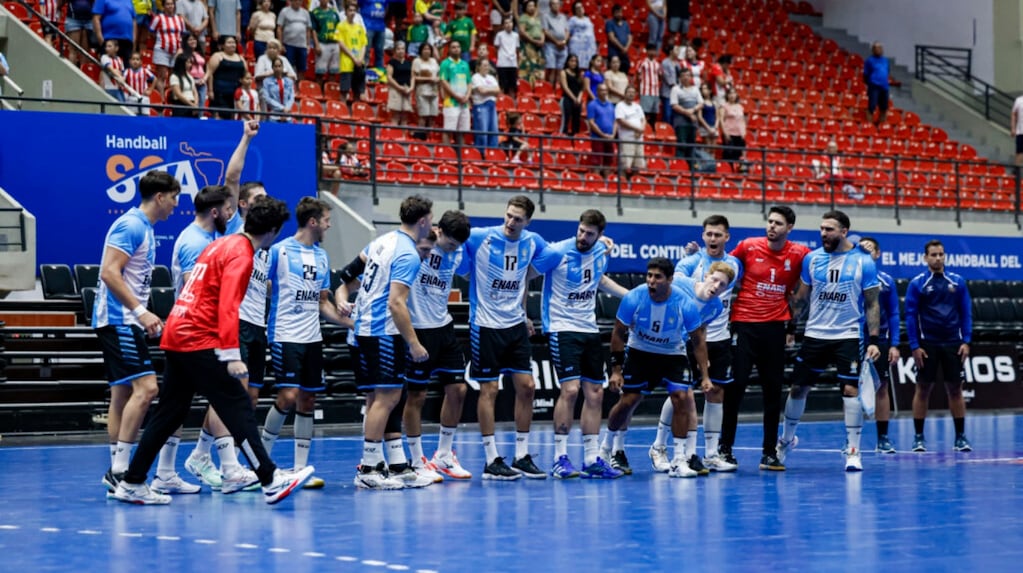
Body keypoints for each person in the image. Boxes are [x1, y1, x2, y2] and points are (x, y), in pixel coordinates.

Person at [111, 196, 317, 505]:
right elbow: (228, 304)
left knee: (169, 413)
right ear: (273, 230)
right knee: (236, 406)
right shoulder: (242, 254)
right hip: (198, 338)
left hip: (178, 333)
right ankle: (270, 479)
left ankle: (132, 481)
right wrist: (232, 355)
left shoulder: (220, 243)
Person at [463, 195, 567, 480]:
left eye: (517, 219)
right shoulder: (480, 238)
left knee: (528, 387)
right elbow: (453, 238)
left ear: (528, 222)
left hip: (515, 326)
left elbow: (557, 255)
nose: (510, 222)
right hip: (485, 325)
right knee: (490, 391)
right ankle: (490, 459)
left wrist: (525, 300)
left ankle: (521, 455)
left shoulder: (533, 242)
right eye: (508, 215)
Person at [95, 170, 182, 494]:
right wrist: (139, 311)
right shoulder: (131, 225)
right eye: (173, 198)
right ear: (160, 197)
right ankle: (121, 471)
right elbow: (108, 272)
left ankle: (116, 468)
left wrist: (143, 311)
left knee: (122, 393)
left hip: (123, 319)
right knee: (146, 389)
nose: (175, 204)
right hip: (119, 320)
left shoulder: (143, 227)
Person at [777, 211, 881, 472]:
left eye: (830, 229)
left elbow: (872, 304)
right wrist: (791, 327)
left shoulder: (863, 261)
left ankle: (854, 451)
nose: (824, 233)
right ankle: (786, 441)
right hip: (815, 335)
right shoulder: (812, 259)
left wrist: (875, 340)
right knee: (798, 388)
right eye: (822, 229)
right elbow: (801, 298)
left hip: (847, 335)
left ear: (844, 232)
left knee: (850, 391)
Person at [259, 197, 350, 490]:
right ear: (313, 222)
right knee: (287, 396)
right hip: (285, 334)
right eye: (326, 219)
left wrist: (348, 323)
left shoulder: (322, 257)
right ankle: (262, 465)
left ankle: (300, 468)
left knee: (308, 399)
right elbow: (259, 286)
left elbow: (323, 303)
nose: (329, 224)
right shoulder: (278, 251)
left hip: (313, 338)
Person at [349, 195, 436, 489]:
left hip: (365, 328)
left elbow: (355, 273)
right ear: (423, 221)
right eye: (431, 219)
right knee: (386, 399)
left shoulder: (382, 240)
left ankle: (385, 466)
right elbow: (397, 303)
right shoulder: (408, 253)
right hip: (381, 330)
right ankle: (369, 468)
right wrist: (414, 344)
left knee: (380, 399)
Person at [600, 257, 714, 477]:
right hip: (640, 353)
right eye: (649, 276)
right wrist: (615, 370)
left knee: (681, 398)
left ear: (670, 280)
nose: (652, 281)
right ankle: (606, 448)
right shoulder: (634, 297)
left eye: (658, 277)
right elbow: (618, 333)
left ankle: (679, 460)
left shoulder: (684, 303)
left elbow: (698, 340)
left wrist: (705, 376)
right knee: (628, 402)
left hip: (672, 354)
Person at [649, 215, 742, 474]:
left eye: (718, 234)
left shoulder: (734, 265)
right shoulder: (689, 263)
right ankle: (658, 446)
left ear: (727, 237)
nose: (713, 239)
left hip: (719, 336)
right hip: (690, 338)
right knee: (681, 395)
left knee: (716, 393)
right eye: (709, 234)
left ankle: (711, 453)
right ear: (703, 236)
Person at [721, 206, 810, 471]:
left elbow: (826, 262)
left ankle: (769, 453)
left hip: (774, 329)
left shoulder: (800, 253)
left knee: (772, 392)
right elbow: (726, 269)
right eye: (769, 222)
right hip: (744, 326)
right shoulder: (747, 246)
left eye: (778, 223)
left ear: (789, 228)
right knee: (735, 389)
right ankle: (725, 449)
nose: (771, 226)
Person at [543, 210, 629, 479]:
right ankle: (559, 457)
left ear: (599, 235)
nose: (583, 237)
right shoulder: (557, 251)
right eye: (581, 231)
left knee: (596, 394)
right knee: (570, 391)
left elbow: (599, 280)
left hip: (589, 329)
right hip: (562, 327)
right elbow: (529, 274)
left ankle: (591, 458)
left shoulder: (601, 251)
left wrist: (629, 296)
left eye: (589, 233)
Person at [401, 211, 474, 479]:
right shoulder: (417, 244)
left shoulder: (458, 249)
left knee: (458, 390)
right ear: (438, 230)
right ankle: (416, 459)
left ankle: (443, 455)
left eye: (458, 246)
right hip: (417, 329)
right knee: (416, 396)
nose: (454, 249)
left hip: (443, 327)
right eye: (451, 243)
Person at [905, 240, 973, 453]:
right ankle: (918, 437)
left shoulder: (957, 282)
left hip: (953, 342)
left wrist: (966, 340)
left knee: (955, 389)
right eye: (933, 255)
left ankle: (960, 437)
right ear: (925, 258)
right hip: (928, 344)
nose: (938, 258)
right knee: (923, 389)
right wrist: (915, 345)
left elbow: (966, 312)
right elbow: (910, 316)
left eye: (941, 254)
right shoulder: (917, 283)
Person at [858, 237, 901, 454]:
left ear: (877, 254)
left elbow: (894, 314)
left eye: (870, 249)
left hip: (879, 341)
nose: (865, 253)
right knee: (850, 389)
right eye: (861, 249)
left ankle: (883, 438)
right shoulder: (850, 278)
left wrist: (894, 344)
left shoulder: (887, 282)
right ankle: (851, 440)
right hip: (853, 338)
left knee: (881, 387)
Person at [439, 41, 472, 145]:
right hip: (451, 102)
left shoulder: (465, 64)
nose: (456, 49)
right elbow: (444, 81)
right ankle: (446, 157)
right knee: (448, 130)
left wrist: (467, 96)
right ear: (449, 50)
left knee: (462, 132)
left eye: (458, 47)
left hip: (464, 103)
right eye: (453, 47)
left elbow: (469, 82)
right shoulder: (445, 63)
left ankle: (460, 156)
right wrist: (456, 96)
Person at [148, 0, 184, 94]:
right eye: (167, 4)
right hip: (162, 50)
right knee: (162, 76)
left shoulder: (179, 19)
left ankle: (172, 98)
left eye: (171, 4)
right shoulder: (159, 18)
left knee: (173, 77)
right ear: (163, 6)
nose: (170, 6)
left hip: (176, 51)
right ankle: (162, 100)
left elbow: (183, 34)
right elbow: (151, 32)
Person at [208, 36, 247, 119]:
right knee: (220, 116)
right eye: (229, 42)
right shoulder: (217, 56)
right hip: (220, 91)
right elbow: (210, 73)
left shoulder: (240, 58)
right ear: (222, 45)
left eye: (233, 43)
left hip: (235, 92)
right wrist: (210, 90)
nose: (232, 45)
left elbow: (246, 74)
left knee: (233, 116)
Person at [338, 3, 368, 103]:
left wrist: (360, 59)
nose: (352, 13)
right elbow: (341, 44)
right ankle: (342, 112)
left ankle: (356, 114)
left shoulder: (359, 28)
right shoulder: (341, 26)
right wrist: (353, 58)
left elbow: (364, 44)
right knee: (344, 91)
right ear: (345, 12)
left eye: (354, 10)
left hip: (359, 63)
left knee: (357, 91)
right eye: (350, 10)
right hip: (346, 64)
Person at [615, 85, 647, 178]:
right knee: (625, 163)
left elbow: (643, 119)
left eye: (633, 92)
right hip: (626, 138)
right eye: (629, 92)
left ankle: (635, 183)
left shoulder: (637, 106)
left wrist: (641, 129)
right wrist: (636, 129)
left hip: (638, 138)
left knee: (638, 163)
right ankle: (622, 183)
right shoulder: (620, 106)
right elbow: (621, 121)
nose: (631, 94)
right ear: (625, 94)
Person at [670, 68, 701, 162]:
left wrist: (693, 110)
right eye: (683, 76)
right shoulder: (675, 89)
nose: (685, 78)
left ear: (691, 77)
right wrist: (687, 113)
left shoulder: (695, 89)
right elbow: (674, 105)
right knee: (681, 146)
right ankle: (680, 167)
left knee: (691, 147)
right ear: (679, 78)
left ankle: (691, 170)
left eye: (687, 75)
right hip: (681, 122)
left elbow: (701, 103)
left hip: (693, 122)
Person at [277, 0, 315, 76]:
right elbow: (279, 28)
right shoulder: (284, 11)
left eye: (300, 1)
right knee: (288, 67)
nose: (298, 2)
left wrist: (307, 44)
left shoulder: (305, 13)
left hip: (302, 46)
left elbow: (308, 29)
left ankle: (300, 86)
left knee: (302, 69)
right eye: (296, 1)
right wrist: (280, 44)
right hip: (289, 45)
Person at [92, 0, 136, 66]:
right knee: (109, 68)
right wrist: (101, 40)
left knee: (127, 69)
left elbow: (134, 21)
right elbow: (96, 18)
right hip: (109, 39)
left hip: (127, 41)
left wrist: (133, 40)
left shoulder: (129, 1)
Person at [470, 59, 501, 152]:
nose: (486, 67)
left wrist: (487, 90)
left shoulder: (491, 78)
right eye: (484, 65)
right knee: (482, 131)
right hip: (481, 105)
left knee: (494, 130)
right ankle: (481, 153)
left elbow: (498, 91)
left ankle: (493, 152)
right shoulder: (475, 77)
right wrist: (492, 90)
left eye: (487, 65)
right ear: (479, 67)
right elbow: (481, 91)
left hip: (492, 105)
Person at [586, 83, 616, 177]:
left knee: (608, 161)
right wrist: (602, 135)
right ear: (597, 92)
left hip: (609, 137)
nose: (604, 92)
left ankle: (607, 184)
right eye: (602, 90)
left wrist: (613, 135)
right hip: (597, 137)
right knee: (597, 161)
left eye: (605, 90)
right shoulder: (592, 105)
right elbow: (591, 122)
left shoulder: (611, 105)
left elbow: (615, 121)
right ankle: (596, 181)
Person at [311, 0, 343, 84]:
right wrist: (316, 44)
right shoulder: (315, 13)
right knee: (320, 72)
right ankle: (319, 91)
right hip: (322, 44)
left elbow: (339, 28)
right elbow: (313, 30)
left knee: (333, 71)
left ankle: (330, 92)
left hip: (335, 43)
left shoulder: (334, 12)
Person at [412, 42, 440, 134]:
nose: (427, 51)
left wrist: (437, 79)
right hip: (422, 91)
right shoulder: (417, 61)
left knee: (432, 116)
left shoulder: (434, 61)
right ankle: (421, 137)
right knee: (423, 115)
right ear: (421, 51)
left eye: (428, 49)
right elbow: (414, 77)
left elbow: (439, 75)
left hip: (434, 91)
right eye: (424, 49)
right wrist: (429, 79)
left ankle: (430, 137)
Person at [518, 0, 545, 84]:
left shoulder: (537, 18)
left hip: (539, 46)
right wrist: (533, 41)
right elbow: (522, 32)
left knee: (539, 67)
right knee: (529, 67)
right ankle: (528, 86)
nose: (532, 8)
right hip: (528, 45)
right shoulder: (523, 17)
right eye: (529, 6)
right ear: (525, 8)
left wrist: (542, 40)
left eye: (533, 6)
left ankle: (539, 87)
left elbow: (542, 31)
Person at [542, 0, 569, 86]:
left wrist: (564, 41)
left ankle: (557, 89)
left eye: (558, 4)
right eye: (554, 4)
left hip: (563, 46)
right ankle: (549, 88)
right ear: (550, 5)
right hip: (551, 45)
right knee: (551, 69)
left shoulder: (563, 17)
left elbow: (567, 31)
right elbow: (545, 31)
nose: (556, 5)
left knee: (560, 70)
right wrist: (556, 42)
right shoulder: (545, 16)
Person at [387, 41, 414, 125]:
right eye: (398, 49)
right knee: (396, 115)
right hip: (396, 89)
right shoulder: (391, 62)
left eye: (402, 49)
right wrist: (399, 87)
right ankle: (395, 135)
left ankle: (403, 136)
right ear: (395, 51)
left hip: (407, 89)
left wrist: (411, 88)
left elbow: (413, 77)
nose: (401, 51)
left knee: (405, 115)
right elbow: (389, 77)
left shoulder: (409, 62)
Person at [566, 1, 596, 80]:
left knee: (588, 68)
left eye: (581, 7)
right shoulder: (572, 19)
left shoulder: (588, 19)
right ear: (574, 10)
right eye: (577, 8)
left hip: (589, 48)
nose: (580, 9)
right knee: (577, 67)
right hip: (577, 47)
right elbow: (568, 32)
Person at [719, 88, 746, 169]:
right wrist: (724, 132)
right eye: (730, 93)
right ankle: (727, 169)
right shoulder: (724, 106)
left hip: (739, 134)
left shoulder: (740, 107)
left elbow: (742, 120)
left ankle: (736, 170)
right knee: (729, 153)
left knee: (738, 154)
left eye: (734, 93)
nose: (732, 95)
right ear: (727, 95)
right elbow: (721, 120)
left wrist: (744, 131)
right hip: (729, 133)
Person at [863, 42, 890, 125]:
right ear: (873, 50)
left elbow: (887, 71)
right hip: (874, 86)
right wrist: (871, 83)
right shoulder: (869, 61)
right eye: (877, 48)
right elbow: (865, 75)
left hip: (884, 86)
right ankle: (870, 125)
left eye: (880, 48)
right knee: (872, 106)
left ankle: (881, 126)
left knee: (884, 107)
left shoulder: (885, 60)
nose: (879, 50)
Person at [493, 16, 519, 98]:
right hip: (502, 63)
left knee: (512, 86)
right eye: (506, 23)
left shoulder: (516, 35)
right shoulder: (499, 35)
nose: (508, 25)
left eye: (510, 22)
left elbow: (517, 48)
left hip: (512, 63)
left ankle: (511, 103)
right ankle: (501, 102)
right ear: (503, 25)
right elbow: (496, 47)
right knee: (502, 85)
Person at [636, 44, 661, 126]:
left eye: (654, 50)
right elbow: (637, 76)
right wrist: (639, 90)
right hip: (645, 91)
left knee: (654, 114)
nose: (653, 52)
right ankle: (644, 130)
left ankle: (652, 132)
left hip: (655, 92)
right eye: (651, 50)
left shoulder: (657, 64)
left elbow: (660, 76)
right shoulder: (642, 62)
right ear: (647, 51)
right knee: (644, 113)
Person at [169, 52, 200, 117]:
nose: (190, 64)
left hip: (192, 104)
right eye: (188, 62)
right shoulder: (174, 76)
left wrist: (196, 104)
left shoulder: (190, 76)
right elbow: (178, 94)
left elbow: (195, 92)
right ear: (181, 63)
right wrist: (192, 105)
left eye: (190, 62)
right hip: (181, 105)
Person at [181, 33, 209, 108]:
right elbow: (180, 68)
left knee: (201, 103)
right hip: (190, 80)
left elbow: (207, 69)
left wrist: (204, 79)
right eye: (190, 40)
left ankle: (199, 118)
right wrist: (192, 80)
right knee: (192, 103)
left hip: (202, 81)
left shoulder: (200, 53)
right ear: (185, 42)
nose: (193, 41)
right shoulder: (182, 53)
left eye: (194, 39)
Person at [66, 0, 96, 66]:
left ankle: (84, 72)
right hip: (73, 19)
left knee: (85, 52)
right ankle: (71, 72)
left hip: (89, 20)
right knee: (73, 49)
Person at [559, 54, 583, 135]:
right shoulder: (563, 72)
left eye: (575, 61)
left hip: (577, 101)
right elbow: (565, 87)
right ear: (567, 62)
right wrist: (574, 98)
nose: (574, 63)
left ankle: (574, 141)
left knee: (576, 122)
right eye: (572, 61)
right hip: (567, 99)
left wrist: (579, 98)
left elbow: (582, 88)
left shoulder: (579, 74)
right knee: (565, 120)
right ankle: (562, 139)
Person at [359, 0, 387, 69]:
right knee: (366, 51)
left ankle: (380, 72)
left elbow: (386, 8)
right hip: (368, 26)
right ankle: (363, 71)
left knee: (380, 52)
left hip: (380, 27)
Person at [604, 4, 631, 75]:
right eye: (617, 12)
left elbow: (630, 37)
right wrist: (622, 48)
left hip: (624, 53)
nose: (619, 14)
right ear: (613, 13)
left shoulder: (625, 24)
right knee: (612, 73)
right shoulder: (609, 23)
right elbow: (612, 38)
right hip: (614, 52)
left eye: (620, 12)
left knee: (625, 70)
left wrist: (626, 48)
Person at [1013, 93, 1023, 166]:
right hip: (1021, 131)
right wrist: (1013, 128)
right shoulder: (1019, 100)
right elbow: (1013, 114)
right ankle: (1017, 172)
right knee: (1019, 152)